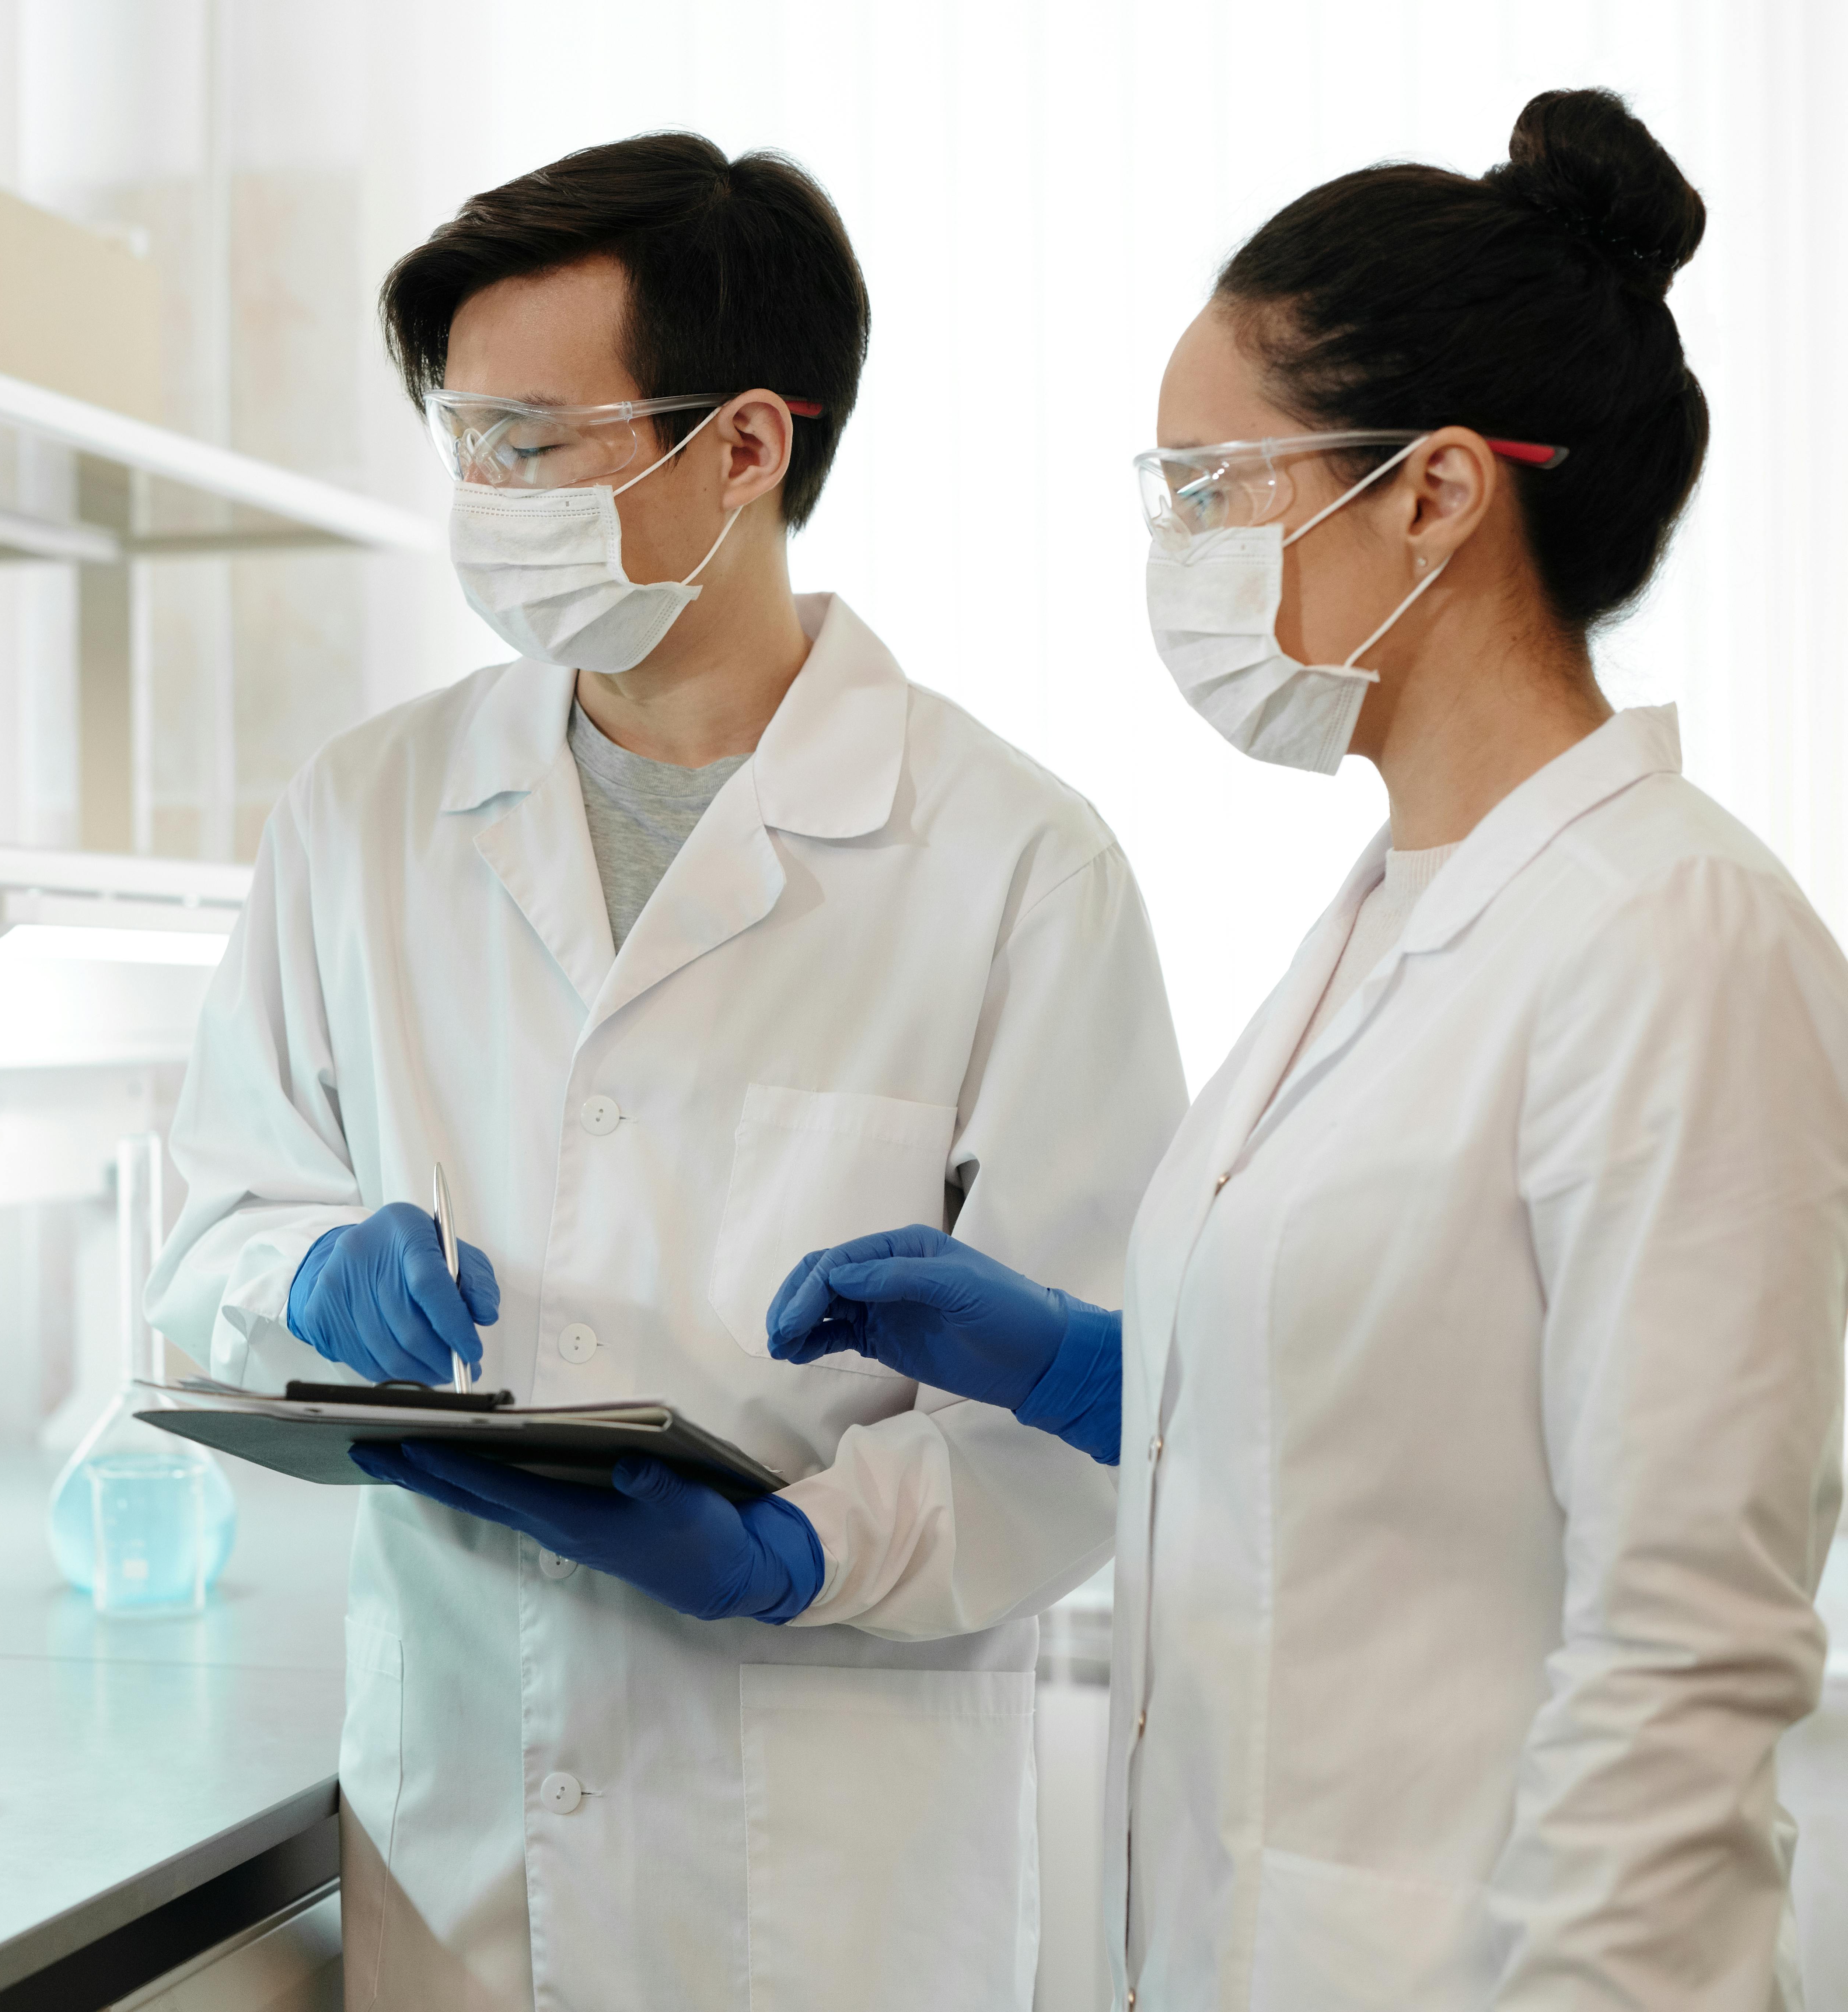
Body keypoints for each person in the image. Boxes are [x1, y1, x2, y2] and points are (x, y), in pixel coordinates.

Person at [765, 90, 1848, 2009]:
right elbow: (1413, 1420)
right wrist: (1115, 1372)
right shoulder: (1392, 915)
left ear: (1436, 491)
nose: (1174, 554)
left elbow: (1684, 1649)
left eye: (1210, 490)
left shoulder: (1675, 935)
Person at [149, 134, 1186, 2009]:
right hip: (457, 1835)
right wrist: (300, 1279)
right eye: (464, 440)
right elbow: (215, 1219)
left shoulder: (1014, 862)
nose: (486, 493)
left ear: (746, 446)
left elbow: (1098, 1406)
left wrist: (801, 1552)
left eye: (537, 442)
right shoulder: (365, 811)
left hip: (823, 1870)